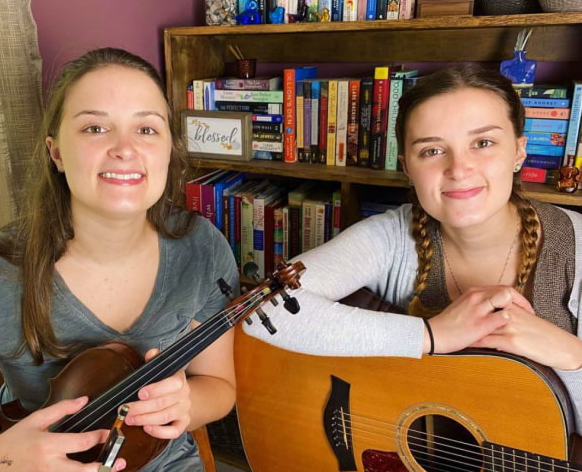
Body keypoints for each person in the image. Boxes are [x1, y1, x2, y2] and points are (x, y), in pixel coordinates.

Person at [0, 47, 239, 471]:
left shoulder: (200, 246)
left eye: (146, 129)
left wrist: (186, 403)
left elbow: (219, 385)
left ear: (167, 150)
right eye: (94, 128)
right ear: (56, 153)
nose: (125, 149)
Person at [244, 64, 582, 431]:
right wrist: (431, 335)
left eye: (483, 143)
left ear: (519, 151)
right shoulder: (391, 237)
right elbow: (263, 309)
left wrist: (572, 356)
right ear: (407, 167)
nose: (459, 168)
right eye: (433, 150)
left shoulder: (576, 248)